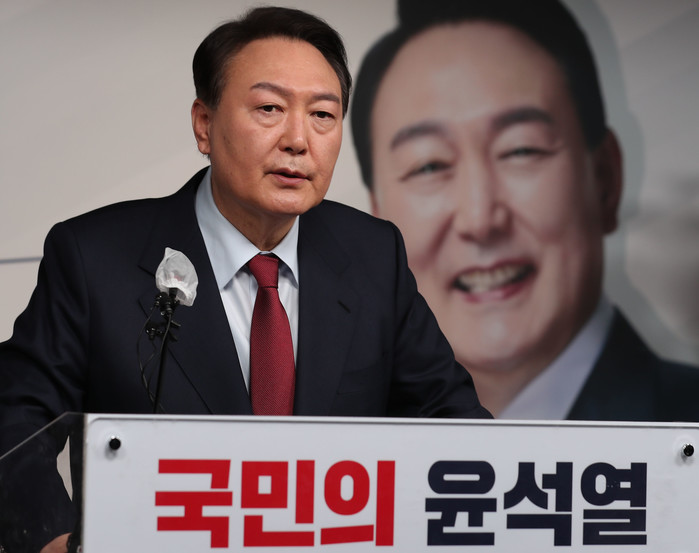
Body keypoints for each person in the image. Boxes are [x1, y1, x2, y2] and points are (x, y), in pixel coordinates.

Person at [0, 6, 490, 552]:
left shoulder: (373, 255)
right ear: (204, 125)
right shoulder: (94, 257)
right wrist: (51, 540)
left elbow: (453, 421)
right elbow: (15, 414)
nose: (298, 140)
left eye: (322, 115)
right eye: (269, 108)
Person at [351, 0, 699, 420]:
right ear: (375, 221)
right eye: (429, 166)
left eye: (521, 150)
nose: (480, 220)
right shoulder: (340, 443)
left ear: (605, 179)